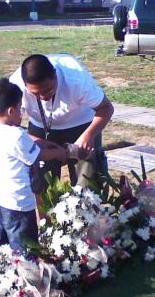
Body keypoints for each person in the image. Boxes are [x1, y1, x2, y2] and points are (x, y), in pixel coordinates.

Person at [9, 54, 114, 193]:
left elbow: (106, 108)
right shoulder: (15, 85)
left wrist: (89, 136)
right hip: (40, 127)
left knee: (88, 186)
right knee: (43, 186)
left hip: (81, 126)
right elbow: (9, 128)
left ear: (55, 76)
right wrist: (36, 140)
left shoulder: (76, 79)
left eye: (48, 90)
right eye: (36, 94)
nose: (43, 97)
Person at [0, 78, 68, 252]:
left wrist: (41, 143)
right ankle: (26, 268)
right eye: (20, 109)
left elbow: (24, 149)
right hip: (18, 203)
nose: (21, 113)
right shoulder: (16, 135)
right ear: (11, 111)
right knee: (25, 248)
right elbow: (39, 155)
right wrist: (59, 153)